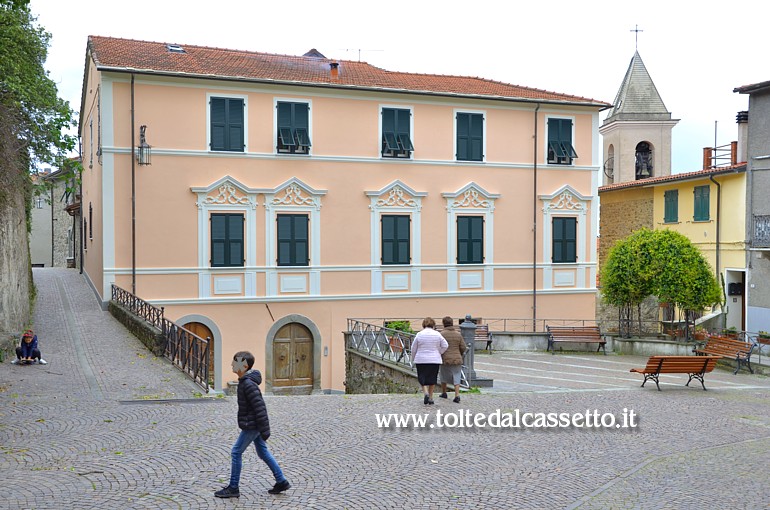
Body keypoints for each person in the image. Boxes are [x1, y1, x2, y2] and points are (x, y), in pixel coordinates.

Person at [215, 351, 290, 499]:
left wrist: (264, 430)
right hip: (253, 424)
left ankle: (233, 487)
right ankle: (281, 481)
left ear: (244, 365)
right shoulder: (245, 382)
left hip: (253, 425)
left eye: (234, 362)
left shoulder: (248, 384)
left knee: (236, 452)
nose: (231, 364)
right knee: (262, 452)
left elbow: (260, 407)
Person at [411, 317, 448, 405]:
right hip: (434, 359)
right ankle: (431, 397)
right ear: (433, 324)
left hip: (421, 359)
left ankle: (426, 392)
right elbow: (445, 345)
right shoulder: (437, 334)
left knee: (422, 377)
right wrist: (439, 352)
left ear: (423, 324)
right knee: (432, 378)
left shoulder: (419, 334)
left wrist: (413, 358)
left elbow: (413, 348)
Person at [439, 316, 467, 403]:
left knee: (443, 375)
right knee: (457, 375)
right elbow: (463, 347)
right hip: (457, 358)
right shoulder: (458, 334)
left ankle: (444, 392)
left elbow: (439, 346)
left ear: (444, 324)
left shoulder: (441, 334)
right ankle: (457, 395)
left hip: (445, 358)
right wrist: (460, 354)